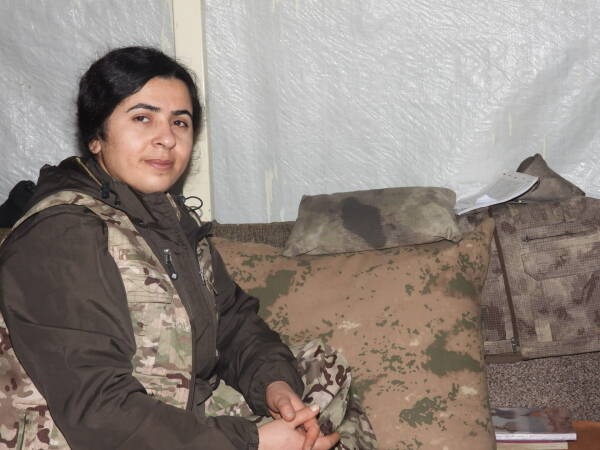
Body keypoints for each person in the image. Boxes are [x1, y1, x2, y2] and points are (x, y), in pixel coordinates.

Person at [0, 46, 344, 450]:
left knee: (320, 381)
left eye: (180, 122)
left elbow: (233, 323)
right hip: (84, 438)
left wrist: (275, 386)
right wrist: (252, 441)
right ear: (96, 136)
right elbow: (99, 410)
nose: (166, 138)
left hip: (178, 424)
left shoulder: (169, 222)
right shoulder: (62, 235)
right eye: (142, 118)